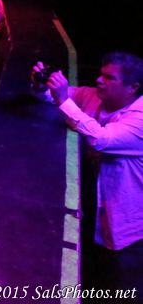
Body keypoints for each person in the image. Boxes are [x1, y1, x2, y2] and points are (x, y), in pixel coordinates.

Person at [34, 53, 143, 292]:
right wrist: (41, 85)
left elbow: (102, 139)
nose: (99, 80)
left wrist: (63, 100)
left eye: (109, 77)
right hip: (98, 210)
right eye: (101, 74)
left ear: (133, 88)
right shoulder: (93, 96)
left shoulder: (140, 119)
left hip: (129, 231)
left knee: (122, 288)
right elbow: (55, 98)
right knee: (93, 280)